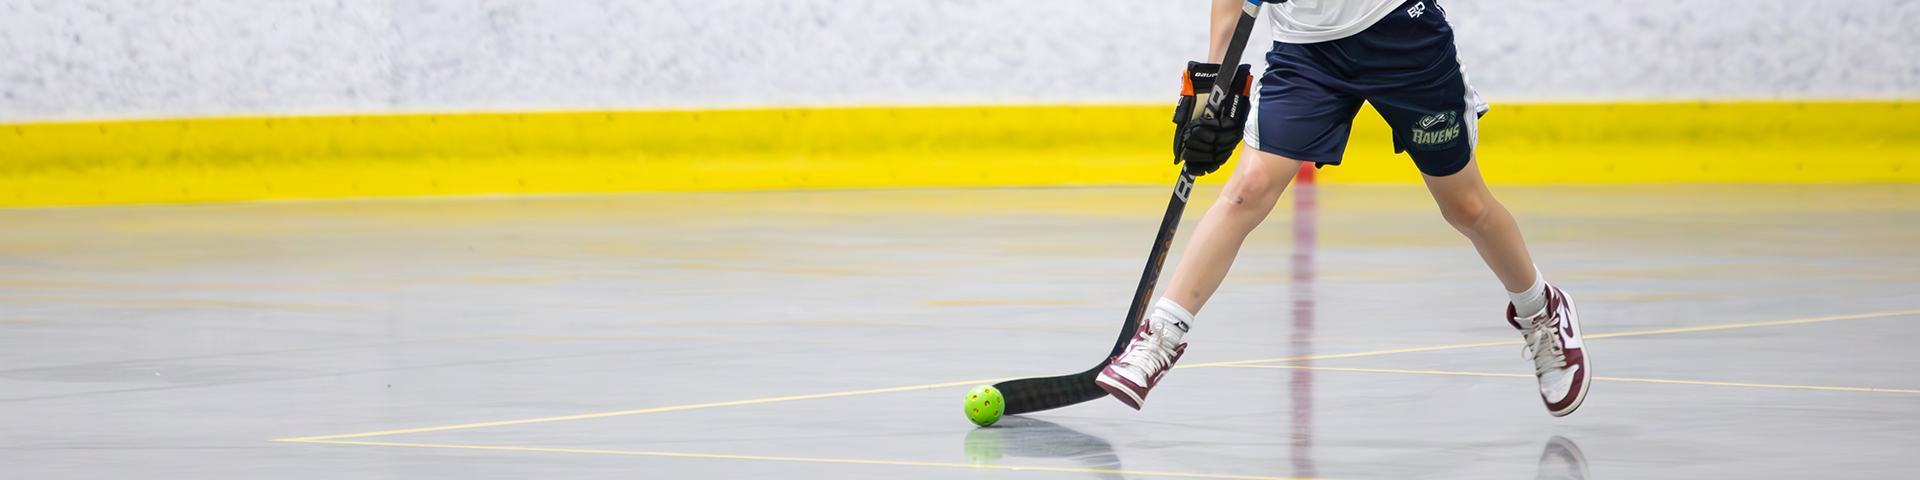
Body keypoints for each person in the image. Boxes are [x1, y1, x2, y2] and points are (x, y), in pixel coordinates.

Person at [1092, 0, 1590, 417]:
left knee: (1465, 206)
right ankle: (1161, 335)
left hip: (1400, 34)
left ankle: (1541, 310)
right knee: (1248, 188)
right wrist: (1216, 81)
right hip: (1306, 52)